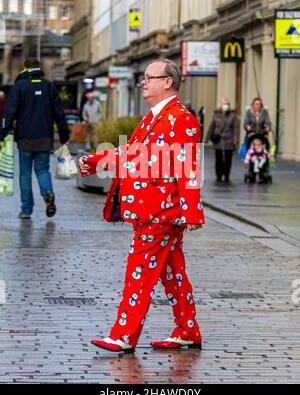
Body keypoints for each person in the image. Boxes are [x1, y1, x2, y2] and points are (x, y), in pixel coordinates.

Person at [79, 59, 205, 353]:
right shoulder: (153, 117)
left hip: (160, 212)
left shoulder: (181, 119)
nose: (143, 82)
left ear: (168, 82)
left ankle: (123, 335)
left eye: (150, 77)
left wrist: (191, 211)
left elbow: (188, 167)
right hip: (152, 211)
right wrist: (95, 161)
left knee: (139, 272)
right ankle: (187, 330)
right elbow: (130, 153)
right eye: (144, 78)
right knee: (173, 275)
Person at [0, 58, 69, 219]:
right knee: (42, 170)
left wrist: (3, 133)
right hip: (45, 138)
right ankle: (48, 193)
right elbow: (59, 113)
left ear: (25, 68)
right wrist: (64, 135)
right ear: (38, 68)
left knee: (25, 175)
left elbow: (9, 114)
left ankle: (26, 210)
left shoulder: (19, 87)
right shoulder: (49, 86)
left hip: (25, 138)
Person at [205, 98, 239, 183]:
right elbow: (211, 127)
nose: (225, 106)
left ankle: (226, 175)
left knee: (228, 159)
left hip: (229, 140)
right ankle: (219, 175)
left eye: (227, 104)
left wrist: (235, 140)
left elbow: (236, 129)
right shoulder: (216, 115)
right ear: (221, 105)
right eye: (224, 104)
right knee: (218, 159)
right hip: (218, 140)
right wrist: (207, 138)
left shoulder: (233, 116)